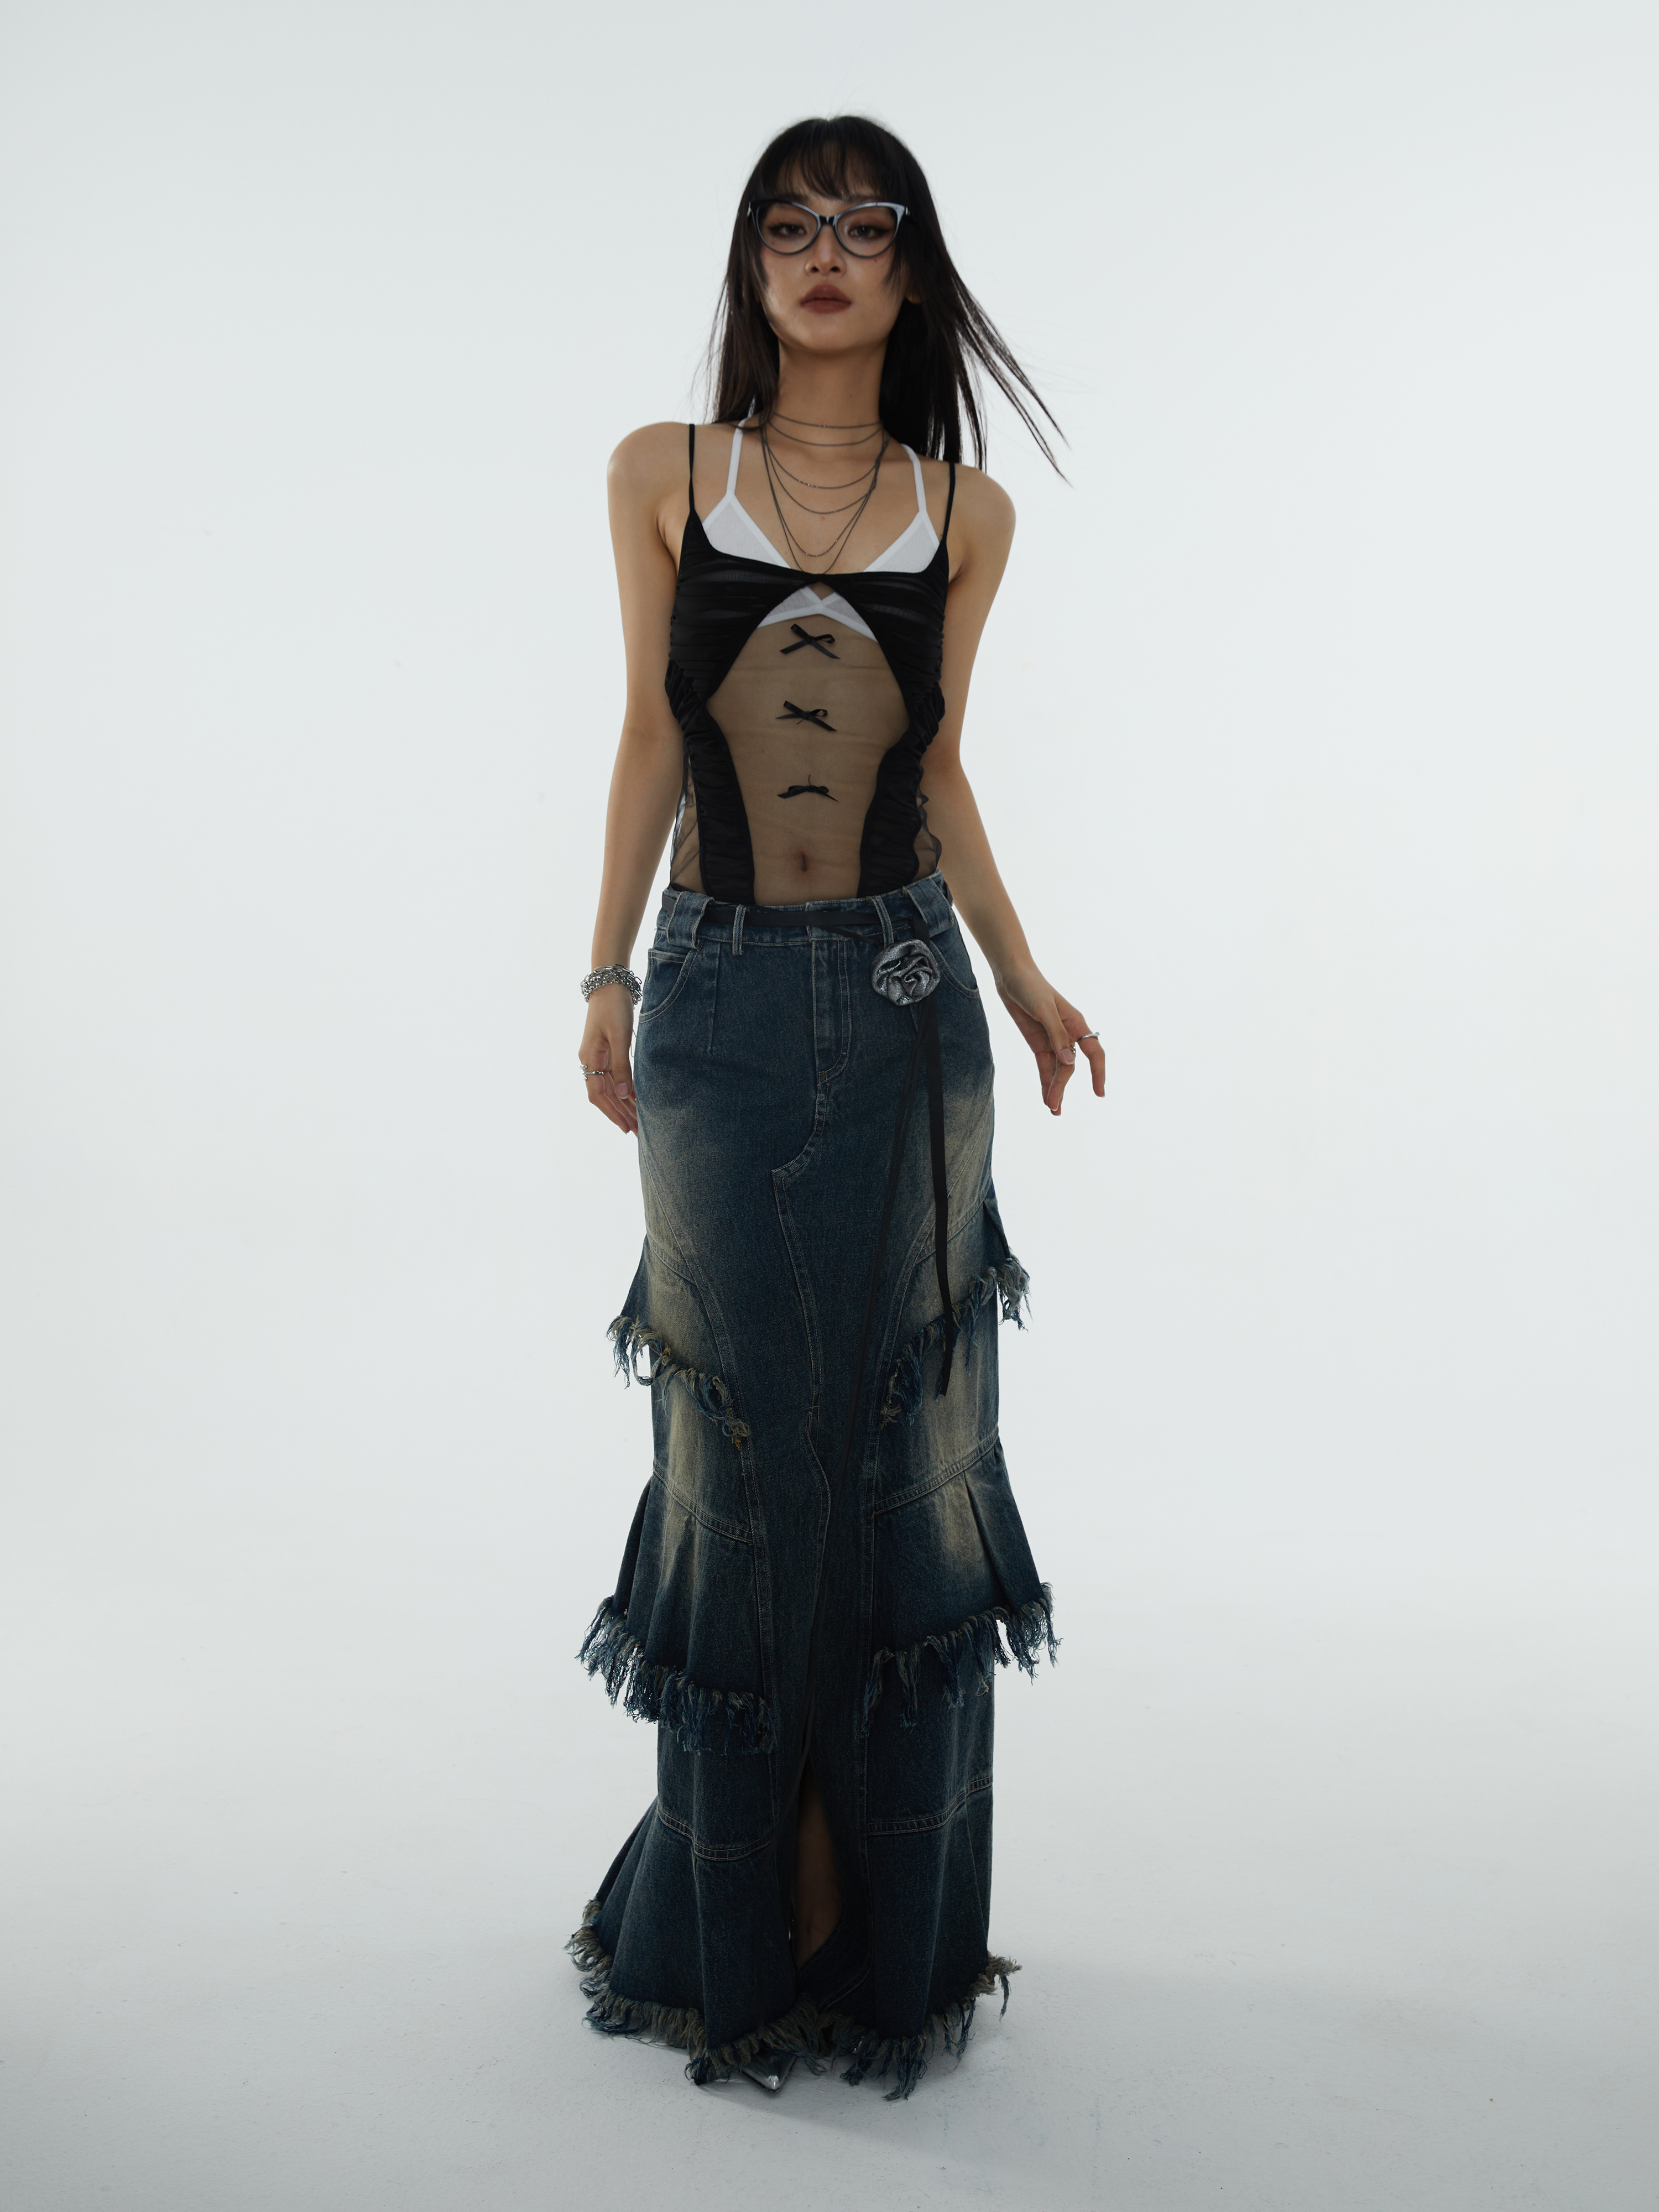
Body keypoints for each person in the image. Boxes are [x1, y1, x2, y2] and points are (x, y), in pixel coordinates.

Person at [569, 114, 1103, 2099]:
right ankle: (743, 1888)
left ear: (909, 270)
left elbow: (938, 769)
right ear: (751, 264)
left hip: (904, 996)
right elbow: (650, 735)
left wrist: (1023, 973)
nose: (825, 253)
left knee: (906, 1437)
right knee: (736, 1435)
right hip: (712, 992)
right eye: (790, 224)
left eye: (865, 226)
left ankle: (880, 1922)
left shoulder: (968, 513)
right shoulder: (664, 473)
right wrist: (606, 972)